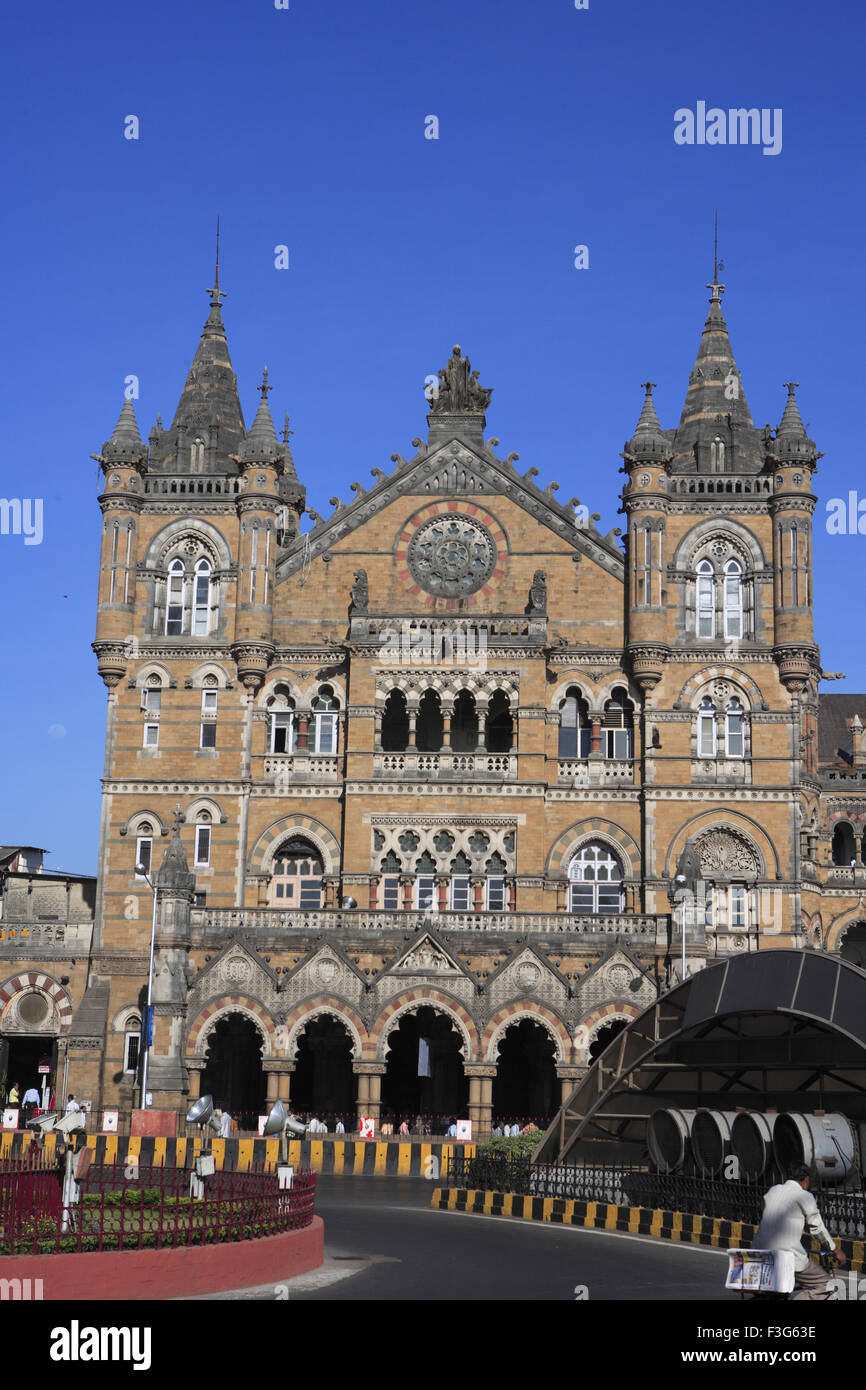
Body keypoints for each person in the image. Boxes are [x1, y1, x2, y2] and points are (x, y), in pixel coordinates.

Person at [751, 1162, 846, 1300]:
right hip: (787, 1256)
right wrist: (835, 1250)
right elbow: (817, 1228)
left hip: (759, 1253)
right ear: (806, 1180)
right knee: (828, 1286)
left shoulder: (772, 1191)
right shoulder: (804, 1196)